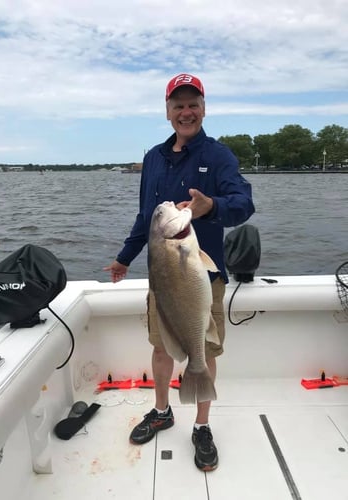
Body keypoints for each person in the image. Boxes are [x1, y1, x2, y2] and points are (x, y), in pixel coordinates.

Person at [104, 73, 255, 471]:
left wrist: (212, 208)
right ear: (167, 111)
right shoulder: (153, 157)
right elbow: (145, 217)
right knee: (160, 347)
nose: (186, 112)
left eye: (193, 104)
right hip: (163, 277)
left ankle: (202, 426)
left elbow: (243, 204)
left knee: (202, 352)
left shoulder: (219, 156)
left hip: (202, 278)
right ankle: (162, 411)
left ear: (204, 109)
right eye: (178, 105)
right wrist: (124, 257)